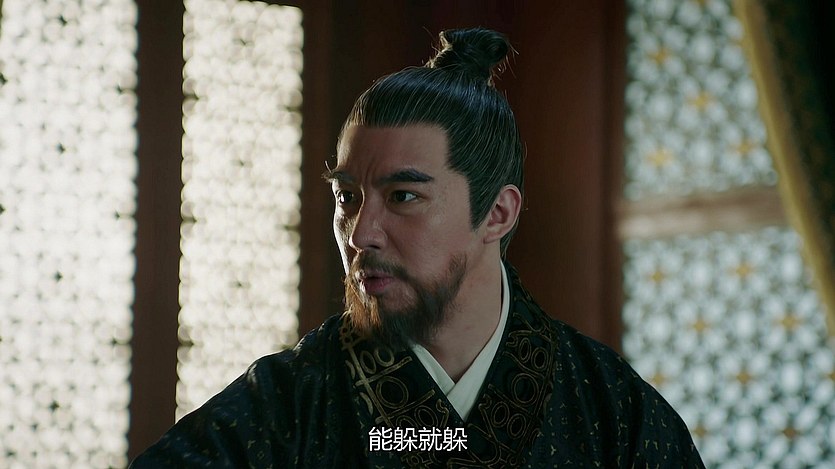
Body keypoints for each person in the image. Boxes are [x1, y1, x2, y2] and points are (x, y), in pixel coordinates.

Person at [131, 28, 705, 468]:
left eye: (403, 196)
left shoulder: (612, 411)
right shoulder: (286, 406)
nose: (360, 233)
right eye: (348, 198)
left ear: (497, 213)